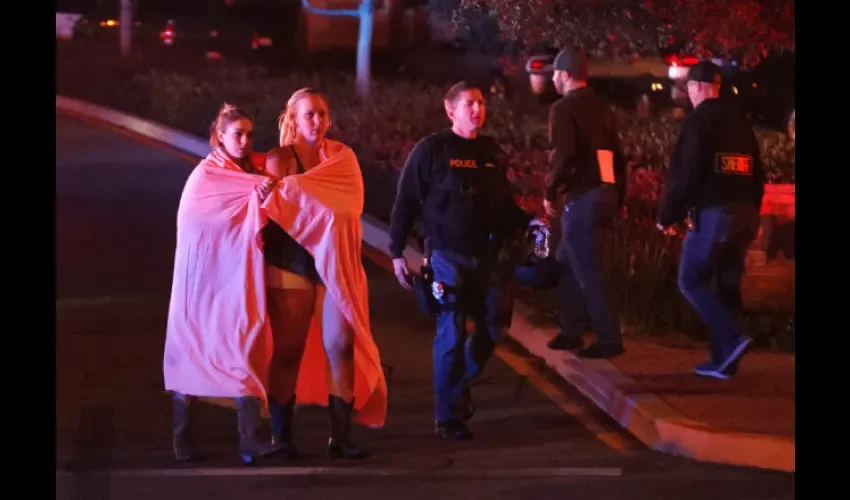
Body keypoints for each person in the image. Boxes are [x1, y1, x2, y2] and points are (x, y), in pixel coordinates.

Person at [389, 81, 533, 440]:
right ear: (450, 110)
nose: (476, 109)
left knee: (492, 331)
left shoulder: (489, 152)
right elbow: (406, 200)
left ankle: (461, 383)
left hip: (487, 257)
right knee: (451, 334)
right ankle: (447, 416)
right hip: (446, 257)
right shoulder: (433, 149)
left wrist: (530, 220)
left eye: (481, 103)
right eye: (468, 103)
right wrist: (395, 252)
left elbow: (497, 205)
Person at [261, 88, 386, 458]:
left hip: (336, 264)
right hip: (291, 262)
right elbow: (276, 211)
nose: (317, 121)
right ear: (294, 118)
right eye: (309, 114)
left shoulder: (341, 158)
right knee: (289, 351)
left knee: (341, 347)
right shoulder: (279, 158)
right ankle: (281, 439)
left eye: (322, 113)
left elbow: (352, 209)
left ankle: (340, 437)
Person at [163, 103, 283, 465]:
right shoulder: (207, 177)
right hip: (200, 282)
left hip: (237, 278)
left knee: (245, 344)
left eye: (249, 134)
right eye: (237, 134)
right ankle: (181, 438)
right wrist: (255, 195)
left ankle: (250, 440)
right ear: (220, 137)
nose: (245, 141)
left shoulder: (251, 175)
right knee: (192, 350)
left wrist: (260, 199)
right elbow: (196, 222)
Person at [656, 60, 765, 380]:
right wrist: (751, 209)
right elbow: (758, 172)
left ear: (698, 87)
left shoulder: (699, 121)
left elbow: (685, 173)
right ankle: (723, 362)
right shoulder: (740, 121)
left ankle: (731, 338)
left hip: (715, 214)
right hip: (745, 214)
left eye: (688, 87)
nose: (688, 93)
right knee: (727, 284)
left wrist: (667, 215)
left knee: (690, 280)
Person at [543, 47, 627, 359]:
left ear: (565, 75)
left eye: (554, 73)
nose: (552, 78)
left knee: (586, 268)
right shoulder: (602, 108)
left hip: (582, 196)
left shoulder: (563, 109)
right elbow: (617, 155)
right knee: (568, 260)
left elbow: (563, 155)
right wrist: (619, 194)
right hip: (605, 192)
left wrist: (550, 190)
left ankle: (609, 338)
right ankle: (571, 330)